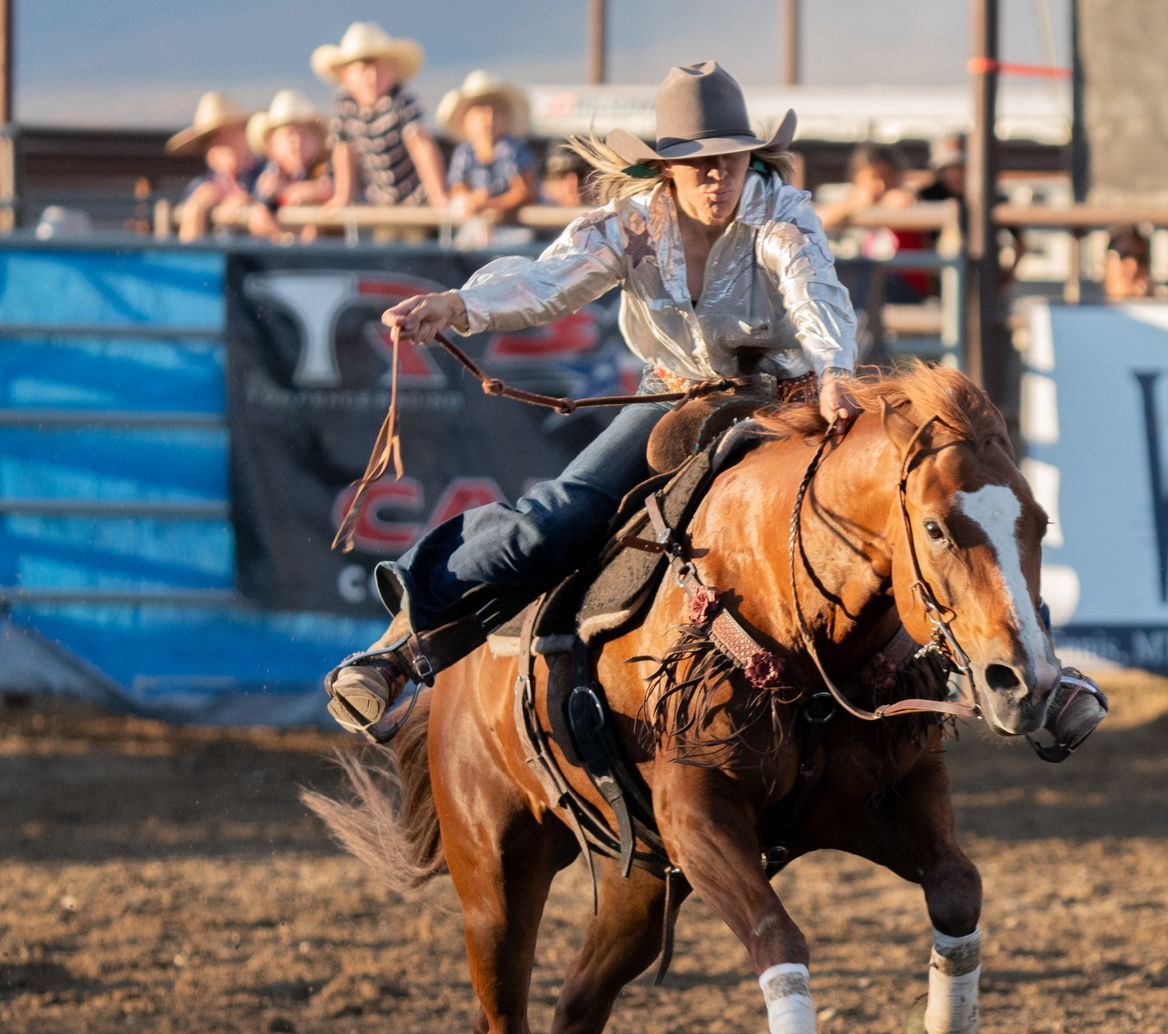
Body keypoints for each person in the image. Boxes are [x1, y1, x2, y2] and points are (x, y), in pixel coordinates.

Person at [323, 60, 861, 735]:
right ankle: (410, 633)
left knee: (875, 511)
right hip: (678, 397)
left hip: (788, 398)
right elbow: (549, 283)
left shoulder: (782, 213)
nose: (720, 175)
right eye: (701, 163)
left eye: (732, 158)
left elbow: (816, 292)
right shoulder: (628, 226)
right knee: (556, 522)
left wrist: (835, 368)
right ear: (668, 168)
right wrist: (458, 304)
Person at [312, 22, 447, 209]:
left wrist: (438, 195)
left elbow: (421, 145)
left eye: (379, 68)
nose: (372, 77)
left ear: (393, 70)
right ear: (345, 75)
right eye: (362, 69)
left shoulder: (402, 103)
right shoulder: (344, 109)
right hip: (378, 203)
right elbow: (343, 152)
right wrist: (343, 197)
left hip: (417, 201)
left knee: (415, 236)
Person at [816, 143, 933, 301]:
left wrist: (876, 203)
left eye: (889, 176)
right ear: (858, 179)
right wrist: (852, 206)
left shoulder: (902, 198)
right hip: (864, 287)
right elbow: (816, 219)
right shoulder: (849, 203)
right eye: (874, 178)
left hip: (902, 289)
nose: (881, 185)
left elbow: (902, 201)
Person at [440, 70, 537, 220]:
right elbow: (457, 188)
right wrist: (471, 199)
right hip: (476, 228)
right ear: (465, 122)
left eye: (495, 112)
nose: (489, 118)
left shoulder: (512, 149)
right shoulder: (463, 153)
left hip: (512, 230)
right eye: (480, 111)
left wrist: (489, 204)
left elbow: (524, 192)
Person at [168, 92, 260, 243]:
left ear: (246, 133)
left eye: (231, 133)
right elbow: (190, 247)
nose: (225, 144)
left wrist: (251, 201)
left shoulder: (267, 174)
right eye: (214, 139)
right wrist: (198, 207)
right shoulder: (200, 186)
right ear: (208, 151)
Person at [245, 91, 333, 241]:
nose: (297, 142)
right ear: (271, 147)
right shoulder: (270, 176)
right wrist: (284, 237)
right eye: (289, 135)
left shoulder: (325, 167)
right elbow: (260, 216)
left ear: (318, 141)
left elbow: (328, 189)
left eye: (305, 134)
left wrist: (285, 190)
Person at [1104, 223, 1153, 300]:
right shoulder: (1085, 306)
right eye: (1124, 255)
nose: (1134, 265)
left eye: (1141, 258)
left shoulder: (1164, 307)